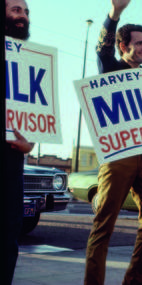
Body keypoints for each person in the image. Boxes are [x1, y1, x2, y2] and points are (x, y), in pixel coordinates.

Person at [84, 1, 142, 284]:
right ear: (124, 46)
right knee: (103, 227)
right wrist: (114, 15)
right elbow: (102, 50)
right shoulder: (110, 68)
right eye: (140, 43)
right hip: (117, 157)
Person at [4, 1, 35, 284]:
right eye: (16, 9)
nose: (22, 16)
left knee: (7, 240)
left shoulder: (29, 63)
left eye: (25, 12)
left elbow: (33, 119)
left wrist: (31, 144)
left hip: (11, 167)